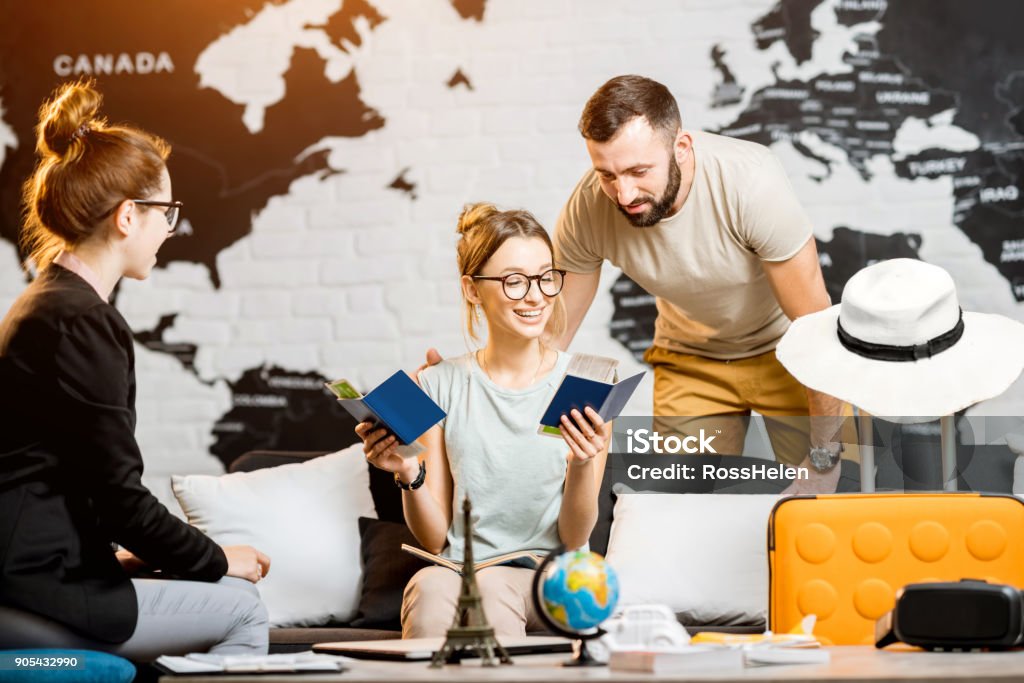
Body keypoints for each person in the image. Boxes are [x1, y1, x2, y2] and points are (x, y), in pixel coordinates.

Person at [0, 80, 270, 661]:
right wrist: (219, 558)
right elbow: (121, 497)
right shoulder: (84, 321)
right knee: (244, 608)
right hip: (39, 587)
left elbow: (68, 481)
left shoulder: (42, 306)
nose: (171, 229)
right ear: (128, 217)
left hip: (31, 568)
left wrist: (118, 556)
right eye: (166, 211)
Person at [552, 74, 853, 493]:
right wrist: (475, 384)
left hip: (787, 353)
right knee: (679, 506)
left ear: (681, 148)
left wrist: (824, 460)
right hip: (690, 359)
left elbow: (816, 333)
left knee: (838, 497)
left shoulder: (750, 181)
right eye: (607, 175)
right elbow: (551, 338)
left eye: (639, 171)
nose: (623, 194)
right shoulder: (589, 206)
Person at [356, 203, 609, 638]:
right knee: (429, 588)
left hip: (555, 577)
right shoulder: (437, 384)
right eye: (514, 281)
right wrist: (409, 473)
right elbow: (435, 542)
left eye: (546, 277)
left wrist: (583, 463)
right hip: (459, 568)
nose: (535, 295)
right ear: (472, 290)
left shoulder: (587, 381)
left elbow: (573, 539)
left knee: (491, 588)